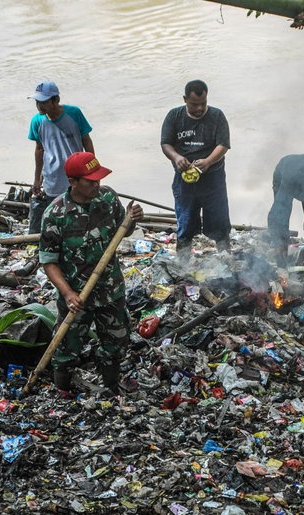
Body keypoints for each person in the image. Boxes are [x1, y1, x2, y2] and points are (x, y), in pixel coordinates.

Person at [39, 152, 143, 396]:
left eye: (98, 179)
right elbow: (49, 261)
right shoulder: (56, 215)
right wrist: (67, 293)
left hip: (110, 289)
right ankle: (62, 390)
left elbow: (123, 232)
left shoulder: (107, 197)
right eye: (90, 181)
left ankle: (110, 387)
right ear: (73, 182)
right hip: (77, 296)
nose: (97, 185)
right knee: (67, 346)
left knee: (116, 342)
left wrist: (132, 220)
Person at [160, 79, 231, 259]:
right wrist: (176, 157)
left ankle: (226, 259)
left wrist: (207, 162)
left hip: (213, 179)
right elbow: (166, 143)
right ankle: (182, 265)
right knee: (185, 222)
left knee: (220, 222)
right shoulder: (174, 116)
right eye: (194, 105)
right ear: (185, 99)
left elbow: (223, 145)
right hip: (184, 180)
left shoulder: (217, 116)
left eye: (203, 103)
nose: (199, 108)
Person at [27, 80, 94, 235]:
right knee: (56, 217)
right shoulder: (37, 121)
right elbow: (39, 149)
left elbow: (87, 142)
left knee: (79, 214)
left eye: (44, 102)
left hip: (76, 175)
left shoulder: (74, 113)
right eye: (37, 102)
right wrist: (37, 179)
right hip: (52, 177)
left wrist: (92, 171)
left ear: (56, 100)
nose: (39, 106)